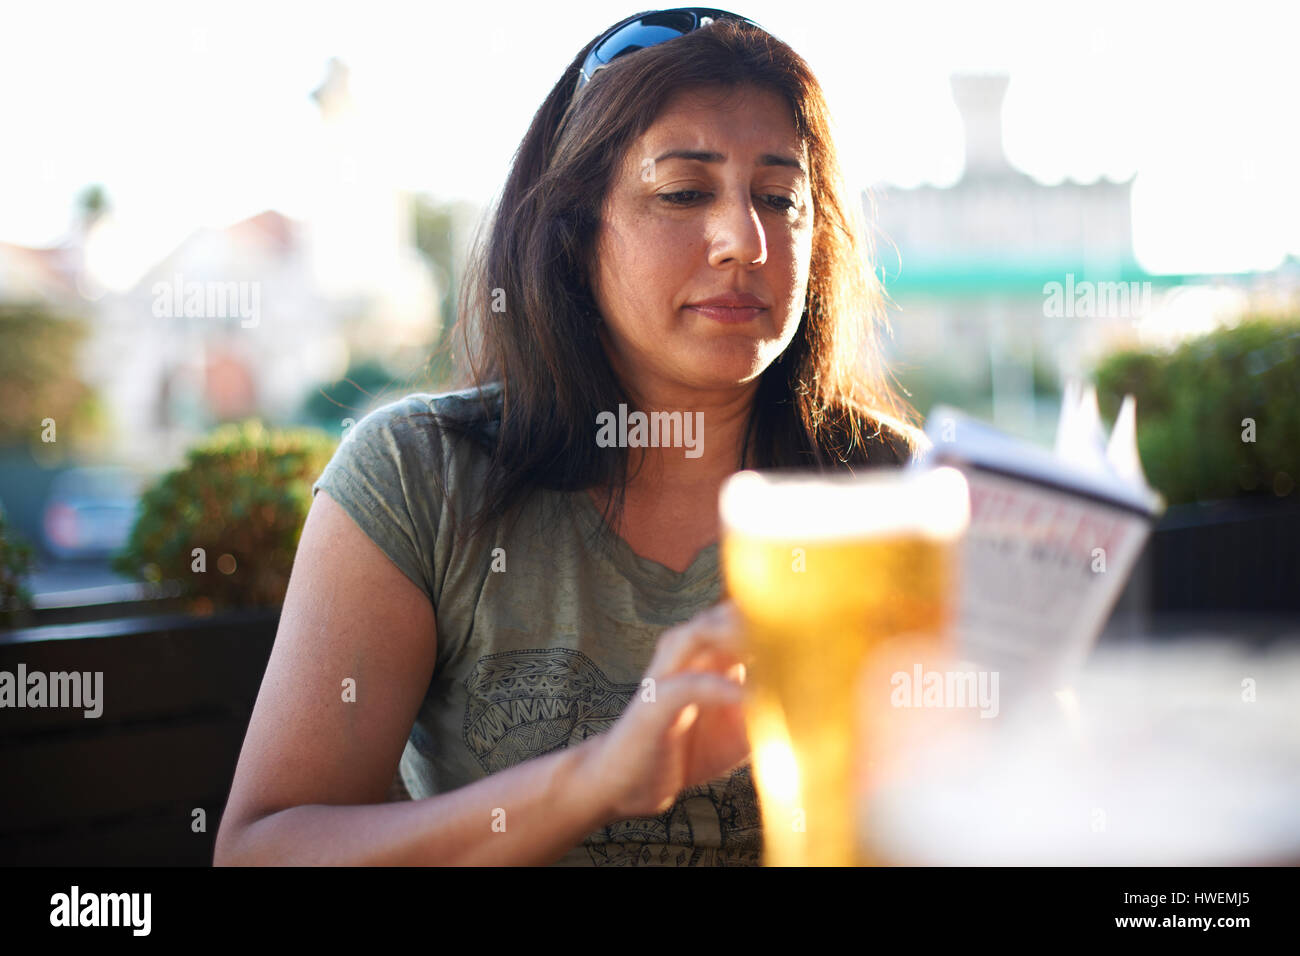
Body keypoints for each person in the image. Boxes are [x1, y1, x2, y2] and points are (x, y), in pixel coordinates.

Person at [213, 7, 928, 867]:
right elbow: (262, 851)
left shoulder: (902, 497)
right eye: (683, 192)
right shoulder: (418, 476)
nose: (745, 241)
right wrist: (598, 777)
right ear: (574, 229)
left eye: (779, 198)